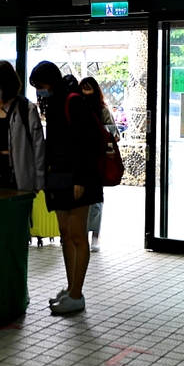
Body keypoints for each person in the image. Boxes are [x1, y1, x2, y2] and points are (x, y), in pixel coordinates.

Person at [29, 61, 104, 315]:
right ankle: (71, 287)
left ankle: (77, 294)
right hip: (60, 177)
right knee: (65, 234)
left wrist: (80, 179)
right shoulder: (55, 103)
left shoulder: (73, 101)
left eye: (40, 86)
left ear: (51, 82)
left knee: (77, 235)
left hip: (78, 178)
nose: (39, 91)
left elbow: (88, 143)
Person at [0, 60, 45, 191]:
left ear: (6, 85)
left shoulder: (26, 108)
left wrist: (39, 180)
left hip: (18, 177)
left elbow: (38, 147)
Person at [79, 76, 119, 253]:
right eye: (83, 89)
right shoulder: (77, 108)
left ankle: (95, 234)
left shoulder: (102, 109)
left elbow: (114, 134)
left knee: (95, 199)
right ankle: (83, 233)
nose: (86, 92)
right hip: (80, 159)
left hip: (97, 159)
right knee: (83, 199)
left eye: (89, 88)